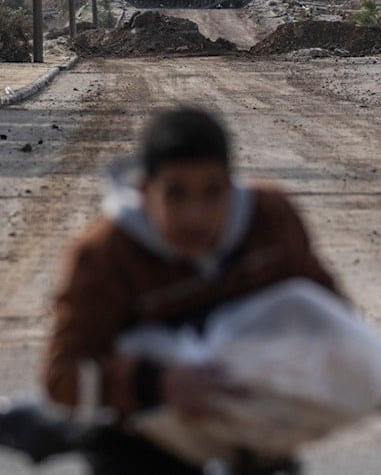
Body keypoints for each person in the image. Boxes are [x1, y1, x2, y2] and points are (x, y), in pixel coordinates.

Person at [41, 106, 343, 474]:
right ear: (145, 191)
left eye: (212, 192)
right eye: (176, 194)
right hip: (143, 442)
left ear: (231, 186)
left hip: (254, 431)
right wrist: (157, 383)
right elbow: (62, 375)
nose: (195, 215)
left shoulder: (270, 220)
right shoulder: (105, 254)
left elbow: (331, 313)